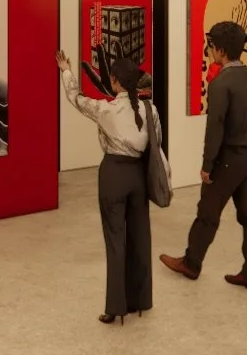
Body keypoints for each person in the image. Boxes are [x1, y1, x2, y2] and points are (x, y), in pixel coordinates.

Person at [58, 51, 167, 325]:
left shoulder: (105, 110)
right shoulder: (150, 109)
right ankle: (141, 300)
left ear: (115, 81)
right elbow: (157, 142)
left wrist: (66, 71)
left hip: (114, 175)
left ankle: (116, 306)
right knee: (141, 238)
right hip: (138, 176)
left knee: (115, 240)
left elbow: (76, 98)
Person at [161, 20, 247, 290]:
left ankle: (191, 263)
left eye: (211, 47)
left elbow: (215, 128)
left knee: (207, 211)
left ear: (221, 50)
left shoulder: (221, 84)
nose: (209, 52)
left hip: (229, 159)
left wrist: (207, 164)